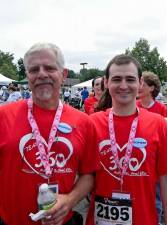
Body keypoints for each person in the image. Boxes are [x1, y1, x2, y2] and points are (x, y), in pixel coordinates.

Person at [0, 43, 99, 225]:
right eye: (34, 69)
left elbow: (89, 175)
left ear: (64, 74)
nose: (41, 74)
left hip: (63, 221)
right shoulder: (4, 116)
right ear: (28, 76)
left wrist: (69, 201)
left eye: (49, 68)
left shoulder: (83, 122)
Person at [85, 54, 167, 225]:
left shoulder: (159, 125)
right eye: (117, 79)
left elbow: (165, 180)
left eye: (130, 79)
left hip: (144, 219)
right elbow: (83, 176)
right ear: (106, 83)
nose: (123, 86)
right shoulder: (91, 124)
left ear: (139, 83)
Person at [137, 71, 167, 225]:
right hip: (136, 160)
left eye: (142, 84)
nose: (138, 87)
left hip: (154, 163)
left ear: (151, 88)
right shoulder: (133, 106)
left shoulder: (162, 110)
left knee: (156, 199)